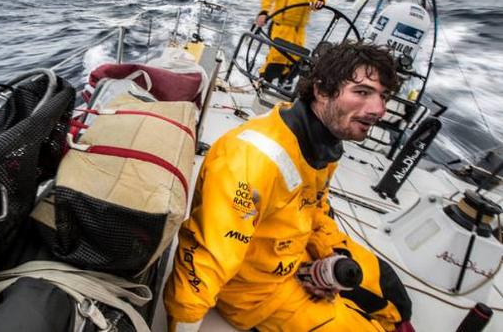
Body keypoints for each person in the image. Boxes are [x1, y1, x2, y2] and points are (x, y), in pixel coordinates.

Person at [164, 41, 413, 331]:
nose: (378, 110)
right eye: (362, 92)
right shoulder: (252, 161)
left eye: (383, 96)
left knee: (394, 296)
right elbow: (207, 257)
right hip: (258, 293)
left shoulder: (322, 143)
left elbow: (315, 209)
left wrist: (332, 255)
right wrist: (185, 323)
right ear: (321, 90)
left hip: (297, 255)